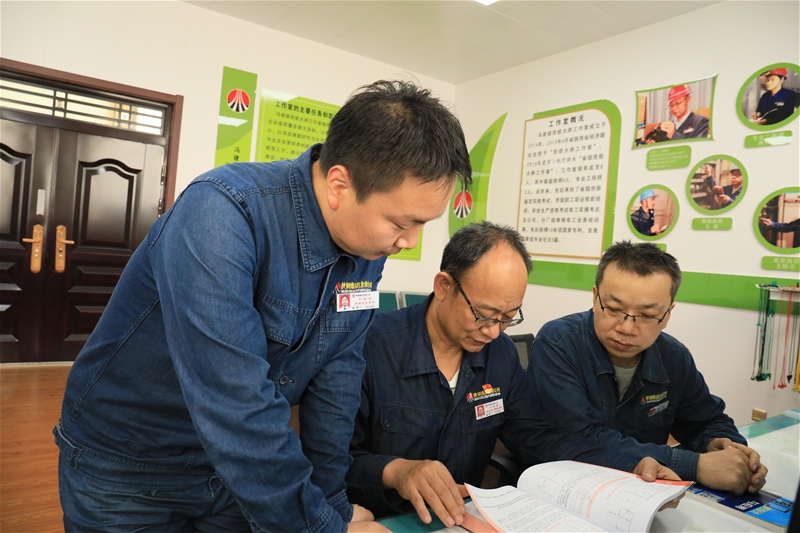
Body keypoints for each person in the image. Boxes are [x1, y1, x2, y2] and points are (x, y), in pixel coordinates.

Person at [55, 80, 472, 533]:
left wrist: (331, 499)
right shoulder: (221, 212)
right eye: (402, 223)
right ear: (339, 185)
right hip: (129, 465)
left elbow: (338, 377)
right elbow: (234, 399)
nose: (409, 242)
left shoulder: (366, 247)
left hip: (238, 467)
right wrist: (320, 528)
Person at [347, 223, 679, 527]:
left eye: (508, 317)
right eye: (484, 314)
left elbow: (538, 438)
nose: (493, 331)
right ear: (444, 286)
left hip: (463, 518)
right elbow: (332, 459)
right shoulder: (369, 347)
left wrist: (628, 466)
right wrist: (396, 471)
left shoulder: (500, 354)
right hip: (381, 519)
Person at [528, 241, 768, 496]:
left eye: (647, 315)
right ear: (595, 297)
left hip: (644, 493)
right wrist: (694, 465)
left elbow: (706, 419)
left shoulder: (674, 356)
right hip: (566, 488)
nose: (626, 328)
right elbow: (579, 438)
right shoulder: (559, 343)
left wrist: (728, 450)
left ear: (667, 314)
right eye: (614, 309)